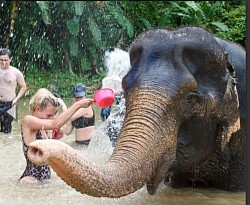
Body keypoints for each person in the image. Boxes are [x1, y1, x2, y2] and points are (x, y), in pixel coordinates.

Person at [19, 88, 93, 185]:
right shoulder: (28, 121)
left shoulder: (41, 127)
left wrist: (55, 139)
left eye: (53, 115)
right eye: (49, 115)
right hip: (31, 179)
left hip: (45, 178)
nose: (51, 118)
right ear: (37, 109)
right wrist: (78, 105)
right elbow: (55, 123)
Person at [0, 48, 27, 133]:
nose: (3, 62)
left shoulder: (16, 72)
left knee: (7, 131)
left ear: (10, 59)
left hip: (10, 104)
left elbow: (23, 87)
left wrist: (16, 99)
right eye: (1, 60)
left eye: (6, 60)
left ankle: (6, 146)